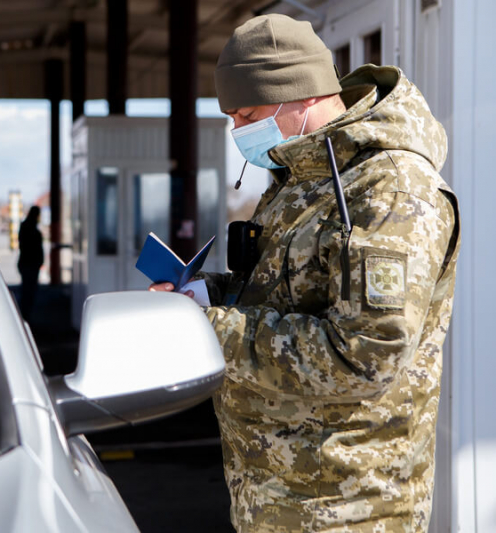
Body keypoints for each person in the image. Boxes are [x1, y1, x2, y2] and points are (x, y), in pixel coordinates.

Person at [151, 14, 460, 533]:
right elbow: (281, 294)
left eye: (247, 112)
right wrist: (208, 294)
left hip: (348, 506)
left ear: (302, 93)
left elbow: (363, 355)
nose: (238, 130)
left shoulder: (390, 191)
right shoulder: (301, 177)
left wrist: (206, 328)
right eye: (231, 117)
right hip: (276, 493)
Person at [17, 205, 43, 319]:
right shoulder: (34, 231)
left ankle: (25, 315)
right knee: (30, 291)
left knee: (26, 290)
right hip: (31, 264)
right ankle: (26, 316)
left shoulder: (24, 227)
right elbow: (36, 249)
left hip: (25, 263)